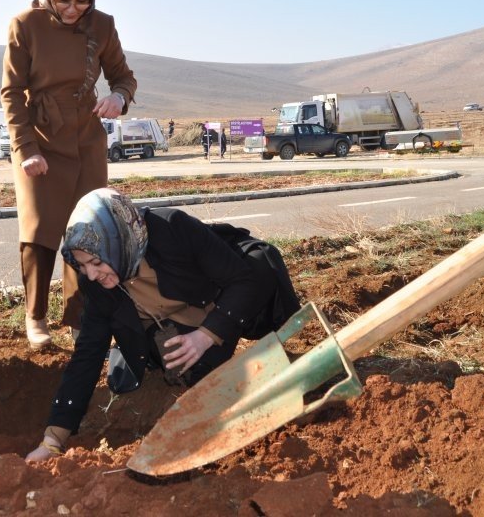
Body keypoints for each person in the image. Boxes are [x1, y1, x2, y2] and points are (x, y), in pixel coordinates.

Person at [25, 188, 299, 462]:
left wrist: (206, 335)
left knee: (263, 267)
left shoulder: (172, 229)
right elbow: (88, 354)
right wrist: (53, 440)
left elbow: (242, 281)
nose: (92, 274)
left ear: (120, 242)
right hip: (171, 321)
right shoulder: (94, 283)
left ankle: (287, 351)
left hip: (217, 293)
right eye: (83, 266)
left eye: (97, 261)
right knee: (190, 369)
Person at [0, 0, 138, 349]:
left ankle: (80, 318)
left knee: (87, 230)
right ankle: (36, 317)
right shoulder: (25, 24)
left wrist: (118, 97)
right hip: (40, 136)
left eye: (82, 0)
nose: (73, 8)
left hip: (87, 138)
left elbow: (124, 77)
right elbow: (11, 92)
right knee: (40, 229)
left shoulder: (104, 25)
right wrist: (26, 149)